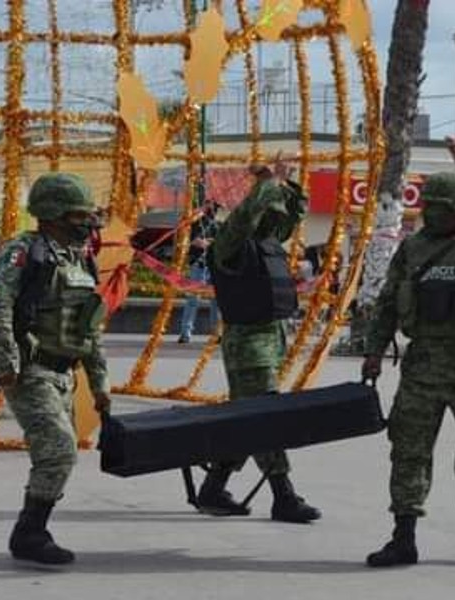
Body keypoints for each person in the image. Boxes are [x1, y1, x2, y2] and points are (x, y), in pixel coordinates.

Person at [362, 137, 455, 568]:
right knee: (409, 451)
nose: (430, 212)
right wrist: (374, 351)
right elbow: (389, 302)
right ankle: (403, 536)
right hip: (421, 368)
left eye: (440, 206)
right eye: (427, 205)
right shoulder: (413, 248)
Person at [0, 172, 111, 566]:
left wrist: (99, 382)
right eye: (79, 215)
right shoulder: (24, 251)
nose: (87, 223)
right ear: (53, 214)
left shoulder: (79, 259)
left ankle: (32, 530)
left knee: (60, 453)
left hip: (63, 373)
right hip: (31, 371)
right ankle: (30, 533)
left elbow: (88, 326)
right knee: (58, 450)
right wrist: (5, 359)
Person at [198, 153, 321, 524]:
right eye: (266, 211)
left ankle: (213, 488)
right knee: (265, 417)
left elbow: (288, 219)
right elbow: (249, 212)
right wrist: (266, 183)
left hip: (269, 339)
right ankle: (283, 497)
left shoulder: (266, 240)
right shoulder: (230, 241)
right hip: (249, 344)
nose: (273, 220)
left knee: (247, 420)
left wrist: (288, 183)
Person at [178, 201, 220, 344]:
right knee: (193, 300)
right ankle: (186, 332)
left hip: (214, 266)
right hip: (199, 264)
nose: (213, 209)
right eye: (210, 206)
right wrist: (209, 242)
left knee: (216, 301)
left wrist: (209, 242)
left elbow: (221, 243)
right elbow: (195, 241)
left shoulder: (217, 225)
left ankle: (216, 333)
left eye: (215, 207)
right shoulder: (196, 223)